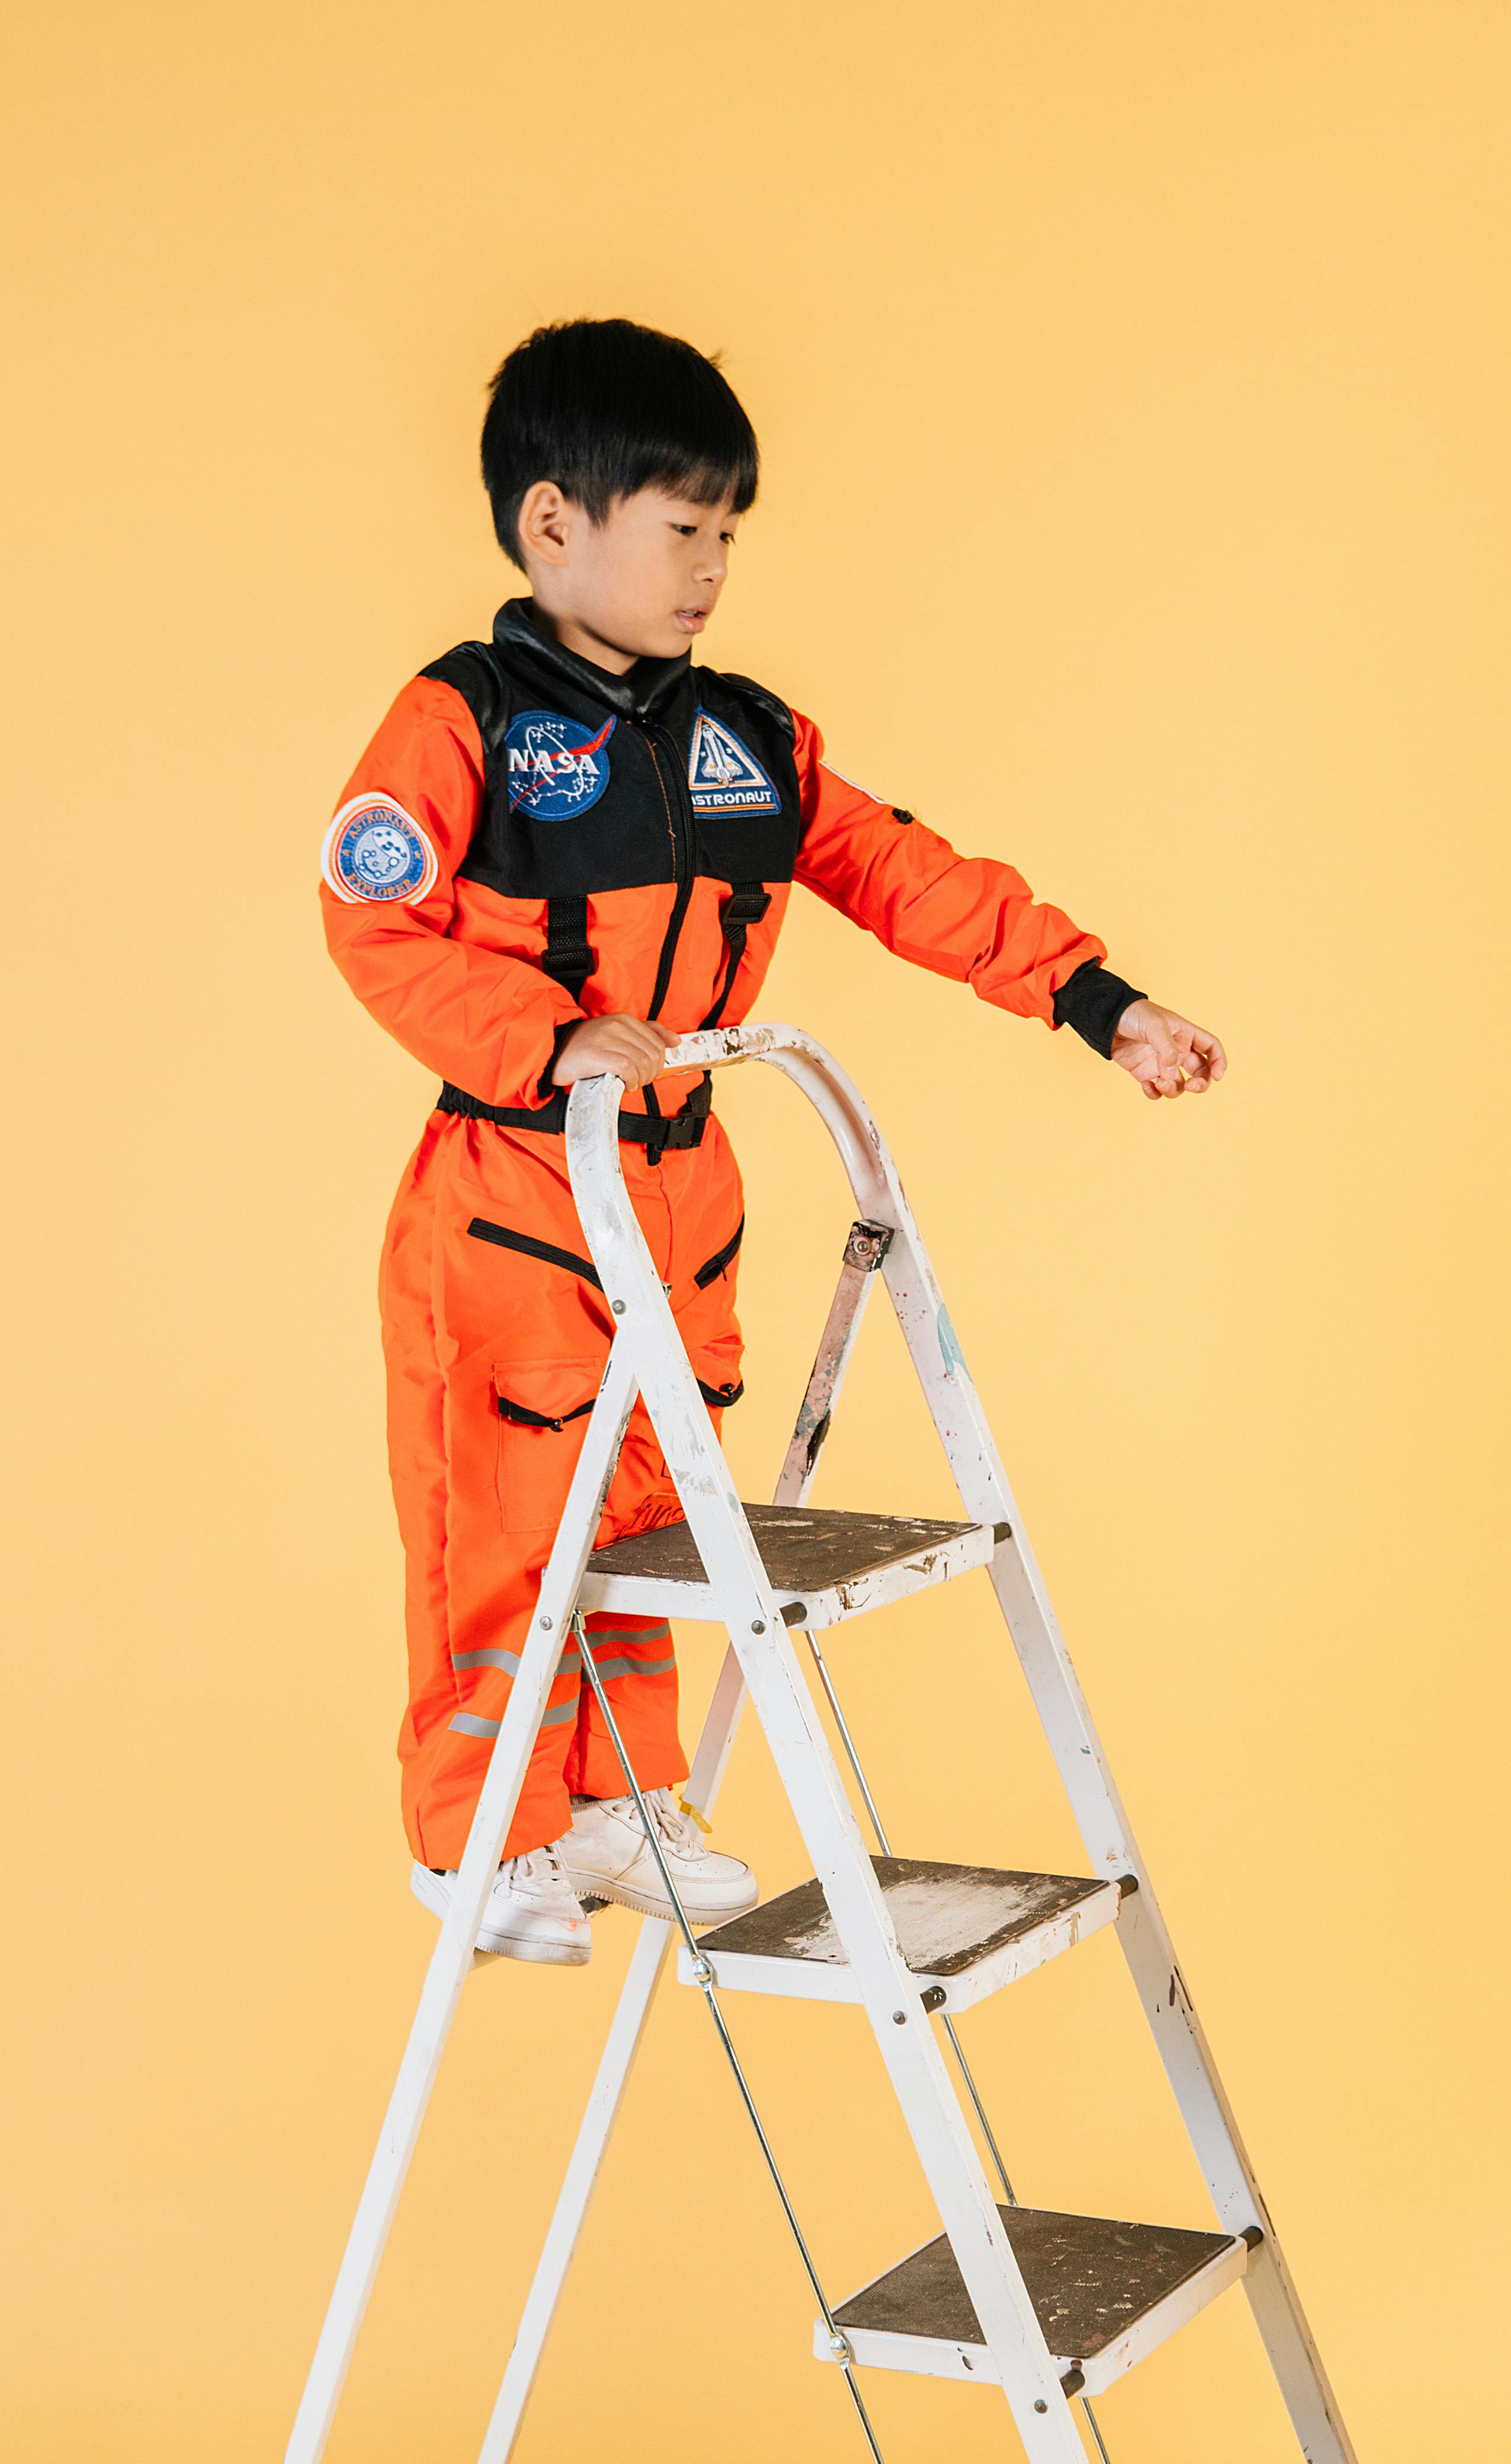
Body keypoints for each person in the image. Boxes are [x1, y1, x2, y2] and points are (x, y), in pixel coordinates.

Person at [323, 316, 1224, 1963]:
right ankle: (478, 1839)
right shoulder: (456, 722)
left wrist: (1098, 1000)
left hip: (684, 1183)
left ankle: (618, 1803)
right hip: (516, 1182)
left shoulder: (744, 735)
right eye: (683, 529)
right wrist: (544, 1040)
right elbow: (375, 929)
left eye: (728, 533)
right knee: (500, 1506)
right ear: (553, 525)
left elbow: (905, 873)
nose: (713, 568)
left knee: (654, 1512)